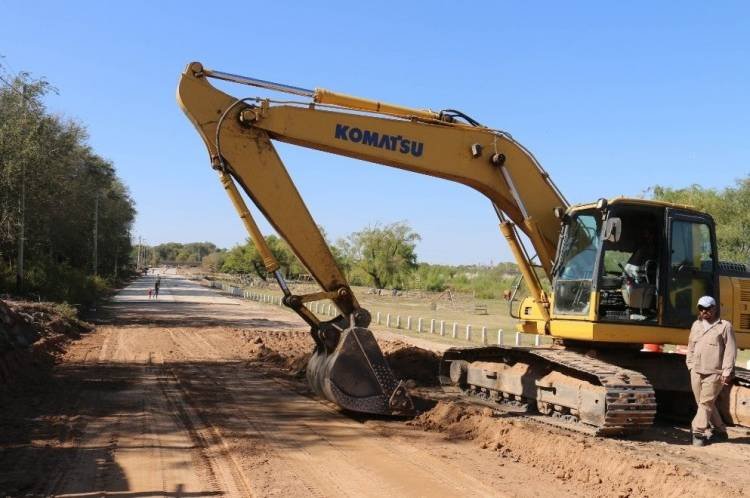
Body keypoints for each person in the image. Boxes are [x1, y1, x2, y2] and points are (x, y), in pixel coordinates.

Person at [685, 295, 737, 446]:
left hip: (715, 373)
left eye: (708, 308)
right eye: (701, 308)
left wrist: (727, 371)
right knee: (703, 403)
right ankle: (720, 431)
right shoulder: (696, 325)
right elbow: (691, 347)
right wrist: (690, 365)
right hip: (696, 371)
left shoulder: (725, 326)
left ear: (714, 308)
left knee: (706, 403)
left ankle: (698, 432)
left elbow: (730, 350)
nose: (704, 311)